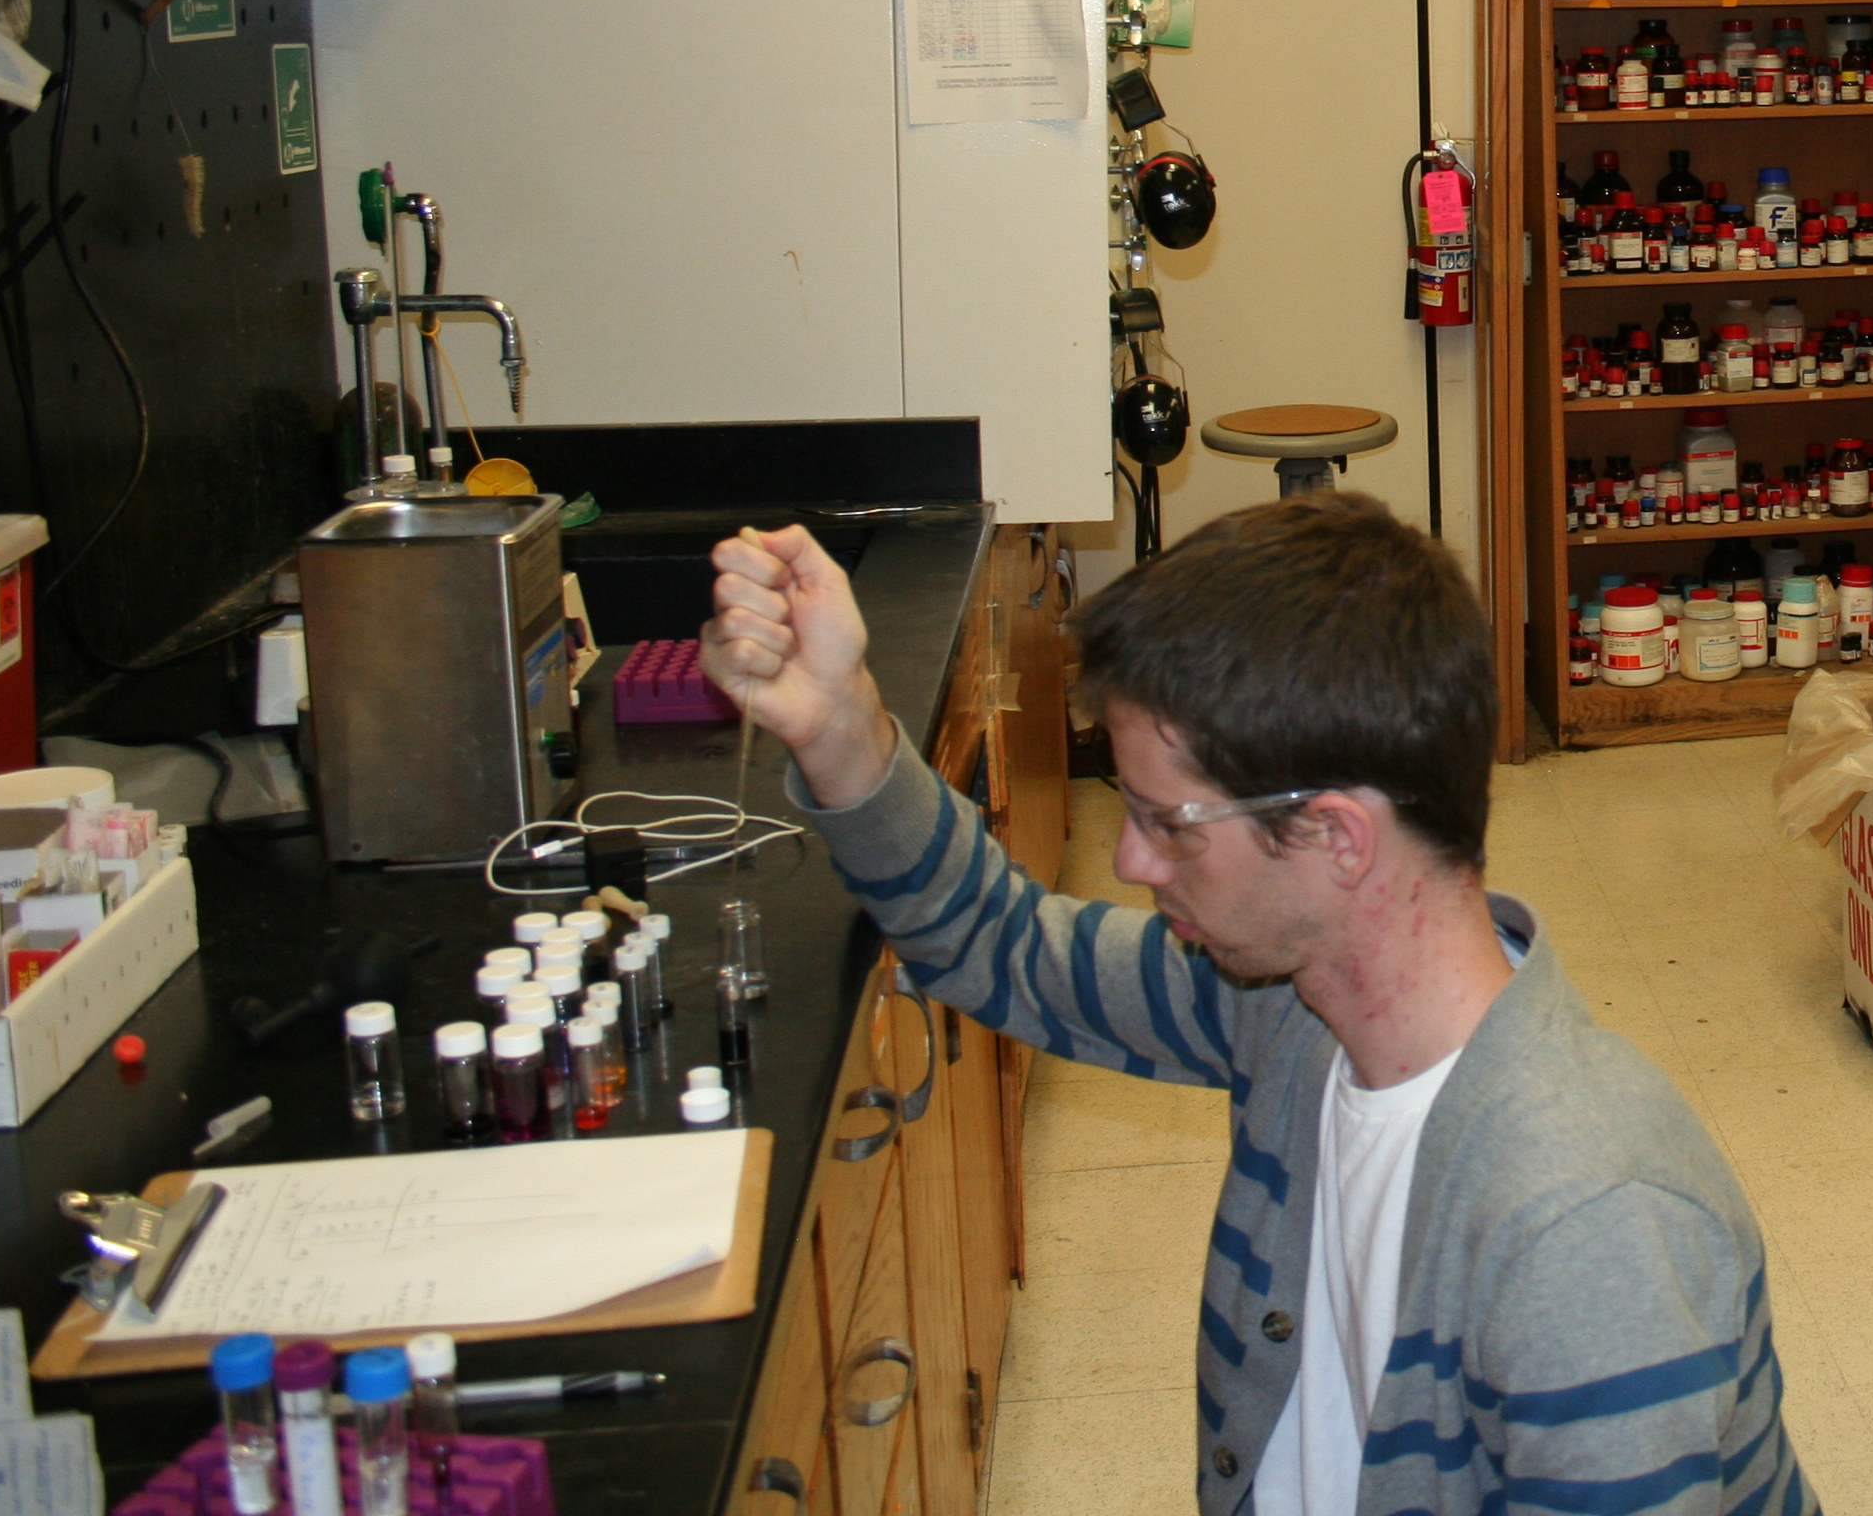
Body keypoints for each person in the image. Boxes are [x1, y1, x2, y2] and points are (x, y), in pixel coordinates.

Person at [699, 492, 1814, 1516]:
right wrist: (839, 726)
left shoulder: (1582, 1228)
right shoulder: (1291, 1006)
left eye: (1169, 822)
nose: (1131, 860)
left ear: (1335, 836)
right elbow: (1002, 945)